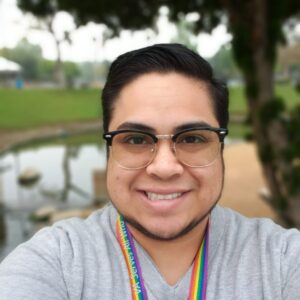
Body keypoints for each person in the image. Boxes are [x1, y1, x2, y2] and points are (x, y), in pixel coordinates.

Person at [0, 43, 299, 300]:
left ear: (220, 149)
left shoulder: (283, 260)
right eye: (136, 139)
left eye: (192, 138)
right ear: (108, 150)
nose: (165, 168)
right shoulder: (57, 261)